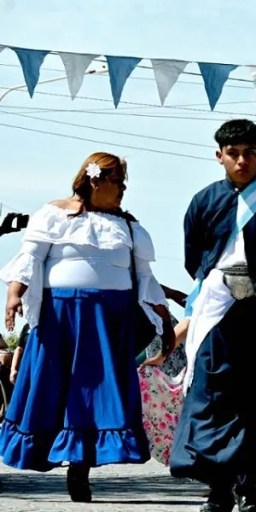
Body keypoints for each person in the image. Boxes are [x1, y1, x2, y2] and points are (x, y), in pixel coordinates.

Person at [0, 152, 173, 502]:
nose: (123, 189)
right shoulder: (53, 214)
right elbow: (31, 257)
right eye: (118, 182)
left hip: (108, 324)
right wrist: (14, 294)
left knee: (94, 395)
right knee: (55, 391)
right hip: (60, 320)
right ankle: (46, 453)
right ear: (95, 180)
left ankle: (81, 467)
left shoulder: (128, 227)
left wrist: (164, 320)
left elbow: (145, 278)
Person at [169, 119, 256, 512]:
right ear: (220, 156)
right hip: (219, 312)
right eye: (233, 154)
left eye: (249, 153)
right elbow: (194, 258)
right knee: (214, 395)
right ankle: (218, 489)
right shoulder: (204, 201)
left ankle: (248, 489)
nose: (241, 160)